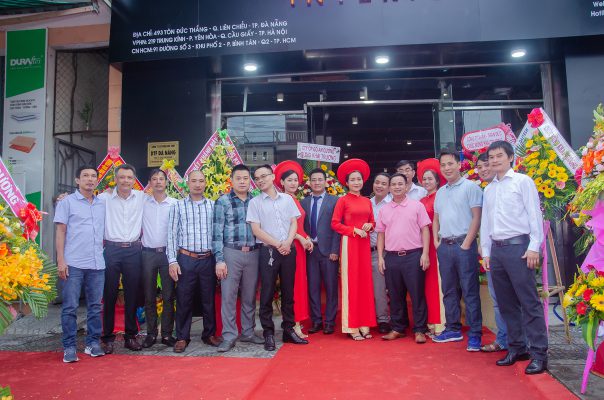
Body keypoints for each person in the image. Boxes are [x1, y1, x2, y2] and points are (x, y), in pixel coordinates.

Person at [481, 141, 547, 374]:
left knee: (529, 302)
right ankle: (517, 348)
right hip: (497, 251)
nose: (494, 160)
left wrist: (534, 247)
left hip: (519, 248)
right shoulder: (488, 189)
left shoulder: (522, 182)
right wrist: (486, 252)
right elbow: (486, 223)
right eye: (491, 157)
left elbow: (534, 215)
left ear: (510, 158)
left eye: (499, 155)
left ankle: (539, 353)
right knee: (506, 304)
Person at [246, 164, 308, 351]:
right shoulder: (255, 203)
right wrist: (278, 244)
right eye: (257, 178)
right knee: (267, 292)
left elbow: (293, 223)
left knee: (288, 292)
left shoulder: (287, 199)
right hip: (269, 252)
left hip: (289, 250)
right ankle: (268, 333)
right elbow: (256, 230)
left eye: (264, 176)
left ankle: (289, 329)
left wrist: (288, 242)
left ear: (273, 177)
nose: (260, 180)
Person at [431, 150, 483, 352]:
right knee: (449, 290)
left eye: (450, 163)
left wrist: (467, 243)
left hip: (463, 245)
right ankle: (453, 328)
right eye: (443, 165)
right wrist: (437, 242)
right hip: (445, 246)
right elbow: (436, 219)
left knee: (470, 291)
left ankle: (475, 334)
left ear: (459, 165)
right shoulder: (441, 192)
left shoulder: (471, 187)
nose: (446, 168)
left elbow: (477, 217)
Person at [54, 166, 106, 362]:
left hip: (97, 263)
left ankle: (92, 343)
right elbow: (60, 232)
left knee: (95, 306)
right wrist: (61, 260)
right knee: (70, 306)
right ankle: (69, 346)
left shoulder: (102, 203)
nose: (90, 179)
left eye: (93, 176)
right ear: (77, 180)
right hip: (73, 263)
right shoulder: (66, 202)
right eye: (85, 176)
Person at [168, 170, 222, 353]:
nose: (198, 184)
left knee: (208, 299)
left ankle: (209, 334)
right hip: (186, 258)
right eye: (194, 181)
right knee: (184, 298)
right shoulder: (178, 206)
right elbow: (171, 234)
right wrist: (172, 261)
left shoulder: (213, 206)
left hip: (208, 258)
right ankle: (182, 337)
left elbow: (218, 234)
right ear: (188, 183)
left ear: (205, 183)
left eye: (201, 181)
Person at [213, 164, 264, 353]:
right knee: (229, 296)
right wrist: (219, 259)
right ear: (232, 181)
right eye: (238, 178)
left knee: (249, 296)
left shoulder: (257, 201)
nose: (242, 182)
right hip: (231, 252)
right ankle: (229, 335)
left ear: (250, 181)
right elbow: (217, 232)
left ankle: (248, 332)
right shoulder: (223, 201)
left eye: (245, 178)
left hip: (253, 253)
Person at [377, 173, 431, 344]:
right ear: (389, 188)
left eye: (400, 184)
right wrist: (381, 257)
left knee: (417, 294)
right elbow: (380, 234)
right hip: (392, 257)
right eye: (393, 184)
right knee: (395, 295)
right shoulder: (384, 209)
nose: (397, 187)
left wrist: (425, 253)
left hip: (413, 255)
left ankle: (420, 329)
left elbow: (425, 230)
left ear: (407, 186)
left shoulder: (417, 206)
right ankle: (398, 328)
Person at [99, 164, 146, 353]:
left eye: (129, 177)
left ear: (134, 180)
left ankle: (131, 336)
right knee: (109, 294)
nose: (126, 181)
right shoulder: (104, 198)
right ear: (116, 179)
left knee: (132, 294)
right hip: (112, 250)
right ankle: (107, 338)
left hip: (133, 251)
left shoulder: (142, 197)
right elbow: (85, 200)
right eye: (122, 177)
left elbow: (163, 199)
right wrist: (61, 198)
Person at [332, 158, 376, 340]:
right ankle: (352, 326)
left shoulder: (367, 201)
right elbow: (335, 224)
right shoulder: (342, 201)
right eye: (353, 180)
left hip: (364, 244)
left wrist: (369, 226)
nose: (356, 182)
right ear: (347, 183)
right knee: (351, 283)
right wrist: (353, 230)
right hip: (349, 244)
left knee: (365, 283)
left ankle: (365, 324)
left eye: (359, 179)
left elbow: (372, 221)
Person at [274, 161, 313, 339]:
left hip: (301, 247)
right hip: (290, 246)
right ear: (281, 182)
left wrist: (307, 238)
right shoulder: (281, 200)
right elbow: (282, 226)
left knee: (300, 284)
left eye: (296, 180)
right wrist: (300, 238)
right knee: (293, 285)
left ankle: (297, 321)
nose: (293, 183)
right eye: (289, 180)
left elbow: (300, 224)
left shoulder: (294, 199)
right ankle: (292, 323)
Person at [301, 168, 341, 335]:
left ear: (325, 182)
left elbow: (337, 228)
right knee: (313, 287)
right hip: (310, 251)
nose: (317, 182)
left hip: (329, 251)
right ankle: (316, 320)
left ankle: (330, 322)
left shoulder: (335, 201)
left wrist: (335, 250)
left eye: (320, 179)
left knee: (331, 288)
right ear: (309, 182)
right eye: (314, 180)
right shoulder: (303, 202)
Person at [475, 152, 508, 353]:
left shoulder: (518, 183)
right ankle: (504, 340)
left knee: (516, 299)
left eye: (486, 164)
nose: (484, 169)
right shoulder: (487, 190)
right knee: (497, 300)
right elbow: (485, 224)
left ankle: (523, 342)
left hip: (514, 249)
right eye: (479, 167)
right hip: (492, 252)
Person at [140, 169, 177, 349]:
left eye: (161, 179)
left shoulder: (175, 204)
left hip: (168, 254)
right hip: (148, 253)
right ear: (149, 183)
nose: (158, 182)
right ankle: (151, 333)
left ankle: (167, 334)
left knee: (169, 296)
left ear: (166, 182)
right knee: (149, 296)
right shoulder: (142, 202)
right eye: (154, 179)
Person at [417, 158, 446, 336]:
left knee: (439, 283)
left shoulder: (441, 197)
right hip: (423, 245)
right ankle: (431, 322)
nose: (427, 182)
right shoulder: (421, 200)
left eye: (430, 179)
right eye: (424, 179)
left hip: (437, 243)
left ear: (437, 180)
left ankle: (441, 322)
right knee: (427, 285)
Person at [369, 173, 392, 334]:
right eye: (377, 182)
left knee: (381, 287)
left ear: (389, 187)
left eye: (384, 183)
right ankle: (370, 317)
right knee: (370, 287)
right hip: (366, 251)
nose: (379, 186)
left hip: (386, 251)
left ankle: (384, 319)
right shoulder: (366, 203)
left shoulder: (392, 204)